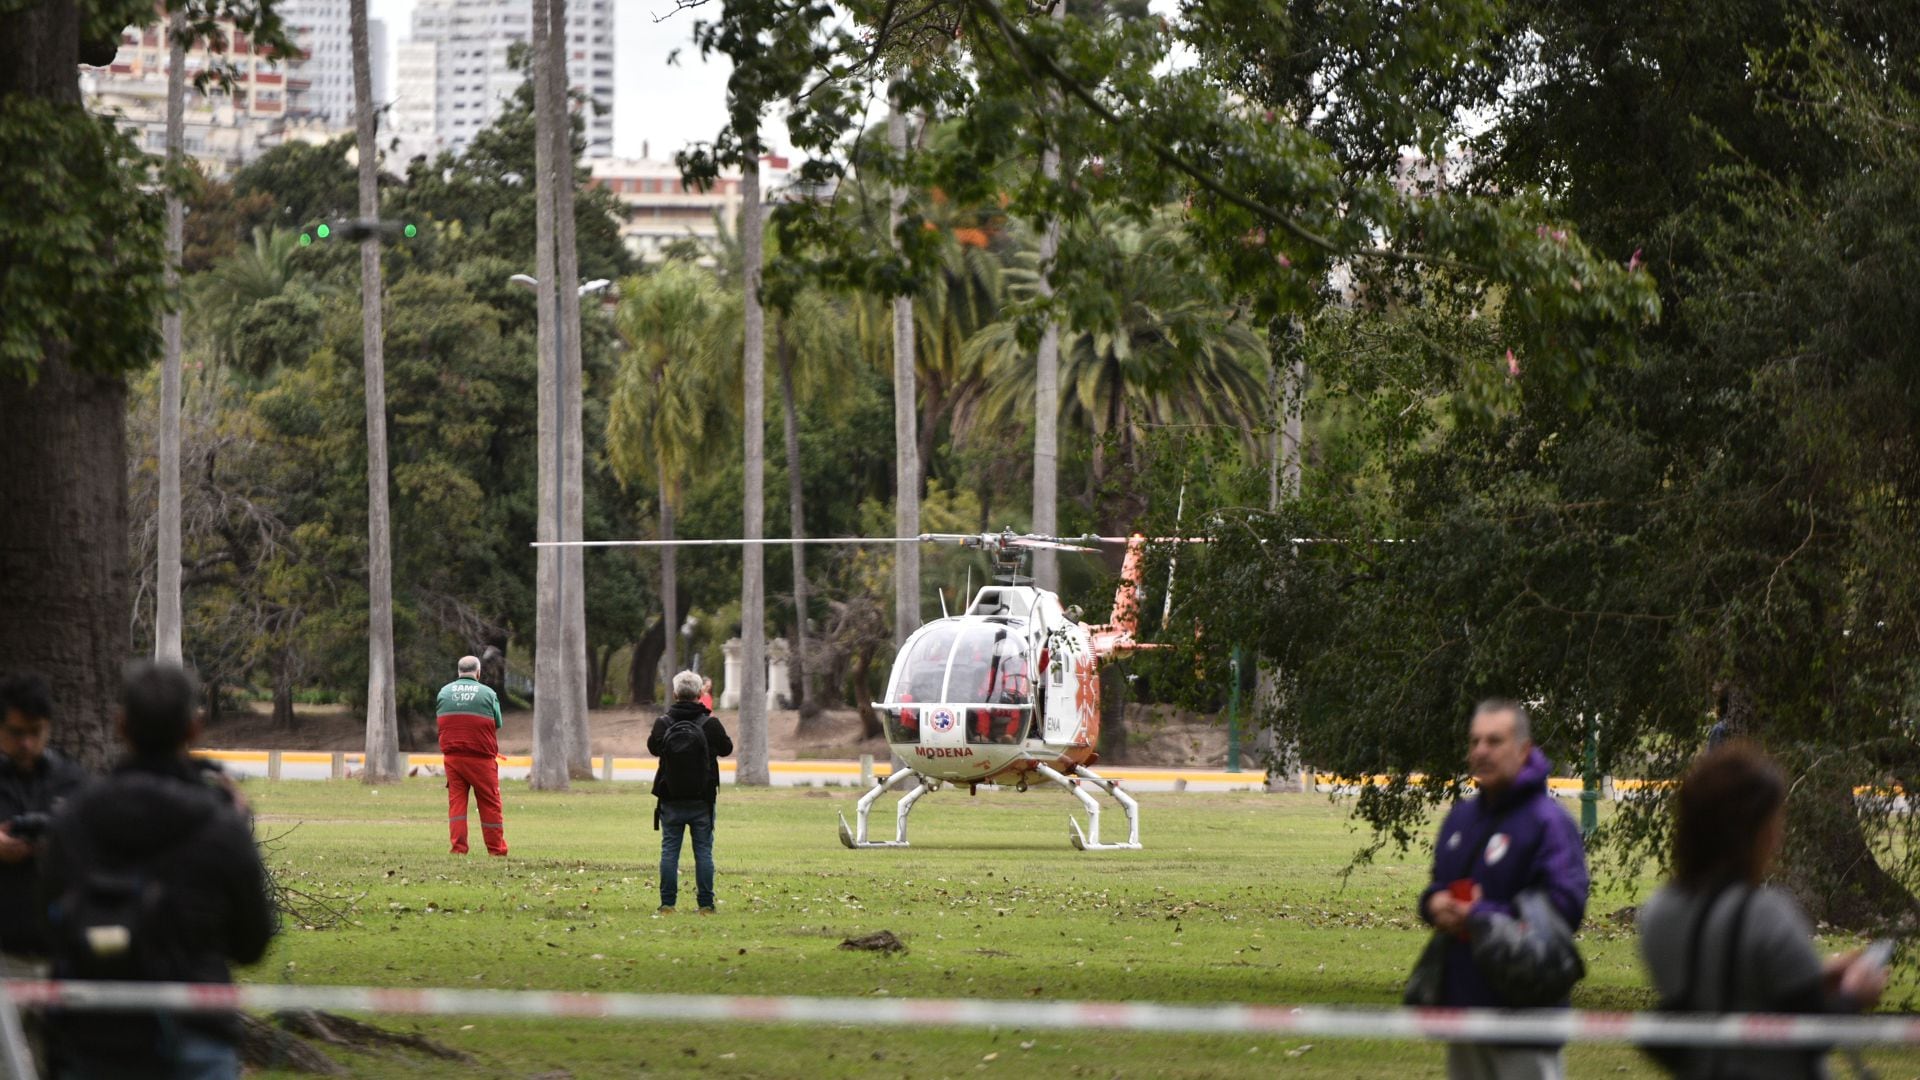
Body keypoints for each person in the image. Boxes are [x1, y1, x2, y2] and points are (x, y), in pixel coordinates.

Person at [39, 661, 275, 1080]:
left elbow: (50, 921)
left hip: (93, 1035)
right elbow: (252, 943)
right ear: (193, 729)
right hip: (194, 1032)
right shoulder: (220, 825)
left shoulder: (74, 817)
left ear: (120, 725)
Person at [1638, 742, 1885, 1079]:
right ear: (1754, 831)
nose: (1778, 836)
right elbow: (1812, 1030)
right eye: (1774, 821)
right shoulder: (1765, 913)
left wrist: (1814, 979)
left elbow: (1722, 994)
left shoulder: (1657, 913)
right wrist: (1855, 993)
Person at [1419, 699, 1590, 1080]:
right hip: (1464, 1011)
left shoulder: (1549, 824)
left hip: (1525, 1017)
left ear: (1524, 750)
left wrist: (1482, 916)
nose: (1481, 751)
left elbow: (1565, 908)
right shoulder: (1460, 818)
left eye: (1494, 741)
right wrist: (1433, 904)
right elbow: (1438, 884)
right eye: (1475, 741)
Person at [0, 672, 88, 972]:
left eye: (35, 732)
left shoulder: (71, 780)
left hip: (60, 951)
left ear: (48, 728)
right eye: (15, 732)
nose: (26, 743)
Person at [649, 670, 732, 915]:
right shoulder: (710, 723)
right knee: (704, 851)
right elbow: (727, 749)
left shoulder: (663, 723)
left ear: (675, 694)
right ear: (699, 694)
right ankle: (706, 904)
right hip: (702, 798)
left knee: (669, 850)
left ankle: (667, 904)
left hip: (670, 797)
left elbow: (654, 748)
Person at [436, 655, 506, 856]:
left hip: (452, 758)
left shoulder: (444, 692)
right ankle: (496, 850)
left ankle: (458, 849)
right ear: (478, 672)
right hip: (481, 759)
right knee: (489, 803)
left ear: (458, 672)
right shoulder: (488, 693)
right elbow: (497, 723)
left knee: (457, 803)